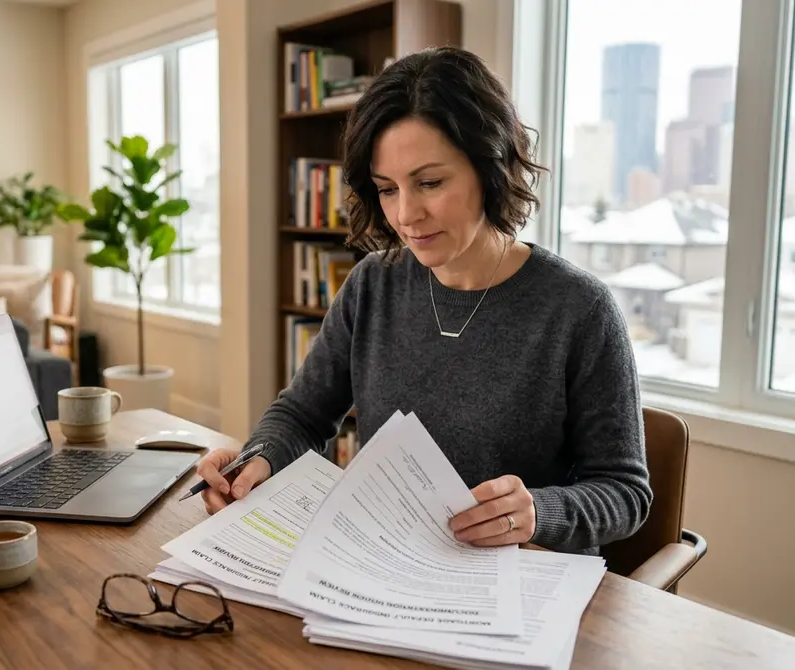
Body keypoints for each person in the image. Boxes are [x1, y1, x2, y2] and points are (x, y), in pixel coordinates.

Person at [196, 46, 652, 555]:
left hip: (520, 580)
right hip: (389, 562)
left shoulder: (579, 308)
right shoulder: (373, 284)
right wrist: (257, 461)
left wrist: (537, 514)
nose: (406, 215)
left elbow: (624, 493)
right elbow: (303, 414)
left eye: (429, 182)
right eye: (387, 189)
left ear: (491, 166)